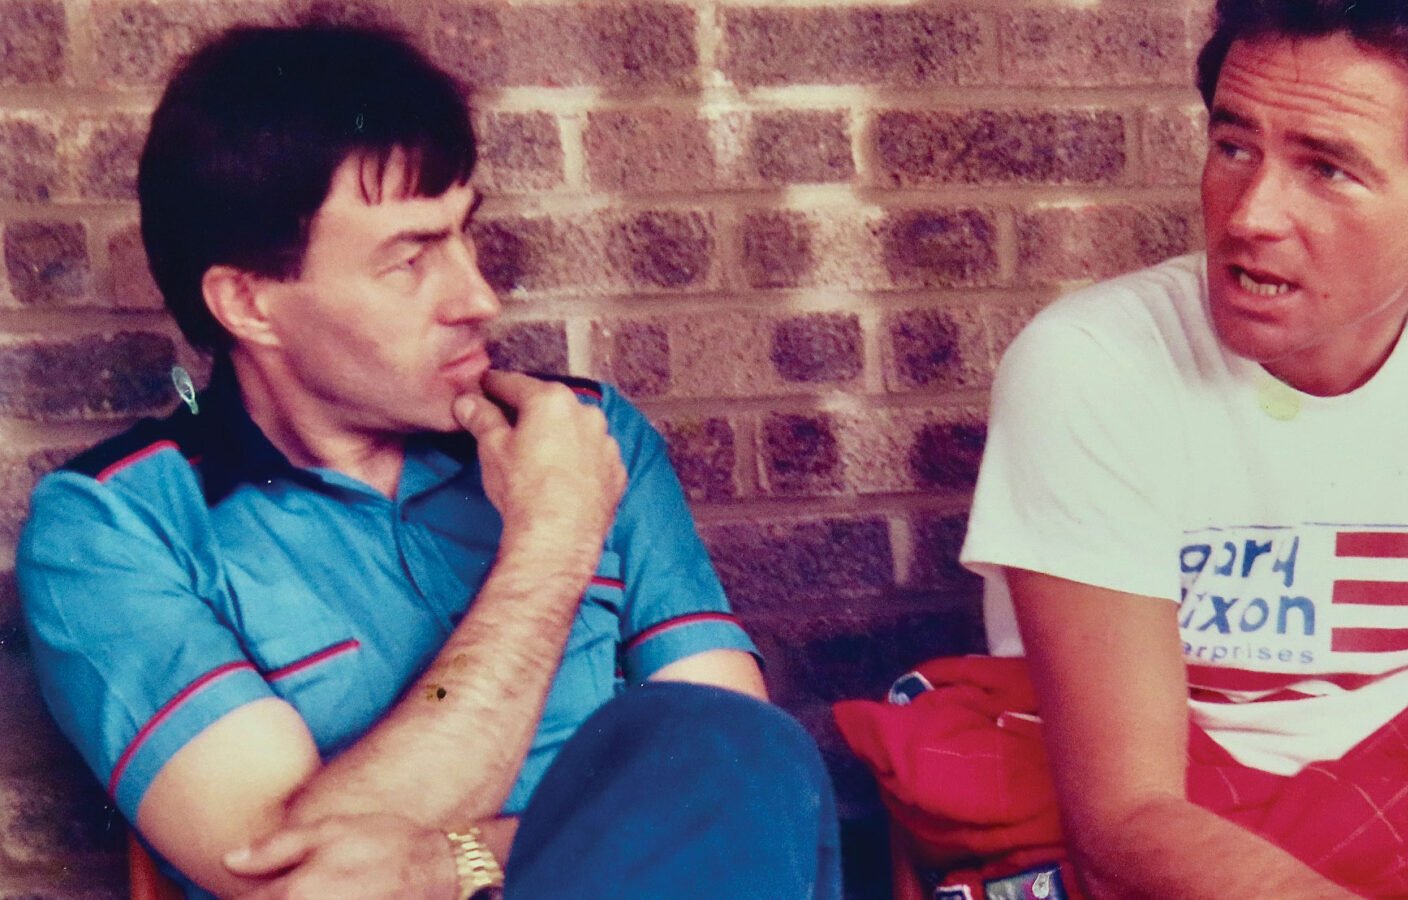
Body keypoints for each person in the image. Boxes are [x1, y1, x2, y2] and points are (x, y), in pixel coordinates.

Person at [16, 23, 839, 900]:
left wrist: (442, 862)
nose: (478, 298)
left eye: (463, 235)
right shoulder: (117, 526)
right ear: (249, 303)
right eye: (409, 259)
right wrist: (552, 548)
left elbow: (740, 784)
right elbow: (297, 887)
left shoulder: (578, 433)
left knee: (736, 744)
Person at [960, 0, 1408, 897]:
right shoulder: (1092, 363)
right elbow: (1125, 818)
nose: (1251, 214)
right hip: (1169, 844)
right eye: (1233, 147)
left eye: (1327, 169)